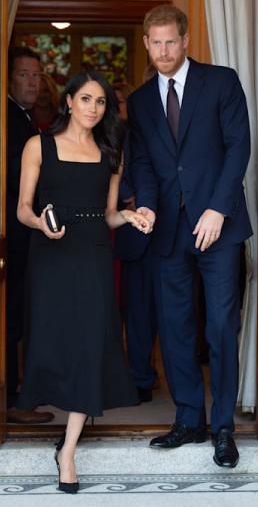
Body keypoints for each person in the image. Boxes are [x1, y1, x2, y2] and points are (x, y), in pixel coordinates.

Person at [127, 4, 252, 468]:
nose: (163, 50)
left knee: (220, 327)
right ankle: (188, 419)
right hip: (168, 229)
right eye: (155, 42)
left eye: (170, 41)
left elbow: (239, 145)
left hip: (218, 227)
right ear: (146, 43)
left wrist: (218, 207)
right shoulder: (140, 101)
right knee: (175, 329)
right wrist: (144, 202)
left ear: (186, 41)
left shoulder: (221, 81)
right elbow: (141, 159)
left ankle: (223, 428)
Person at [15, 70, 150, 493]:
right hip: (51, 256)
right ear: (69, 101)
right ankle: (61, 431)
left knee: (90, 345)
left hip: (93, 255)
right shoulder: (38, 145)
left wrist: (129, 216)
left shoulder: (111, 152)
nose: (94, 108)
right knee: (56, 344)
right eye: (87, 99)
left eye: (101, 102)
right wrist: (40, 223)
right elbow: (21, 208)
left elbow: (108, 214)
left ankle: (68, 450)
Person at [5, 46, 54, 425]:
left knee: (21, 317)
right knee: (12, 319)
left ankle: (17, 396)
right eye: (24, 74)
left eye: (37, 75)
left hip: (25, 236)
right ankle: (12, 401)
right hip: (13, 236)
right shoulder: (7, 119)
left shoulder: (23, 118)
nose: (32, 82)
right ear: (9, 77)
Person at [111, 82, 159, 403]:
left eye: (120, 102)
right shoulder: (118, 136)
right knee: (137, 311)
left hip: (171, 231)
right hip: (131, 231)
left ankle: (151, 374)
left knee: (167, 312)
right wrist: (130, 198)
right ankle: (138, 378)